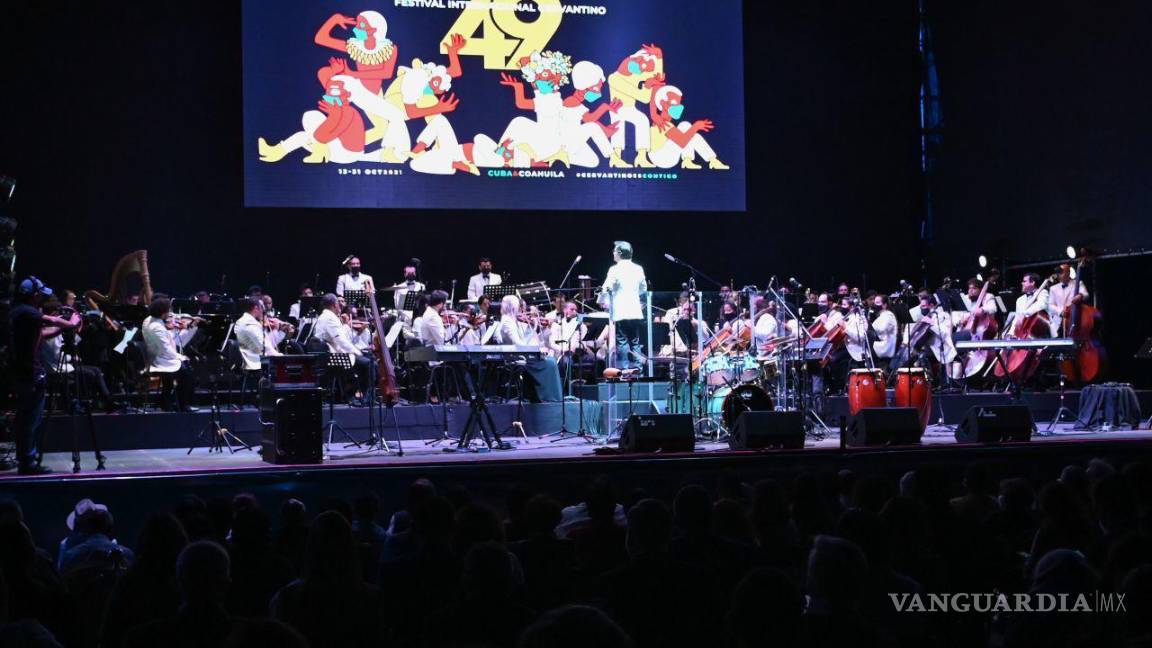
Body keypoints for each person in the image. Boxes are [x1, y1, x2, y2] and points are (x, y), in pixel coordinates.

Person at [8, 278, 79, 474]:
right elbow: (54, 321)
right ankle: (27, 463)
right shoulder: (28, 312)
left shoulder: (19, 312)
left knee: (29, 419)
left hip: (25, 372)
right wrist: (72, 322)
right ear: (34, 295)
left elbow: (43, 334)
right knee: (29, 420)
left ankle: (26, 458)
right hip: (29, 373)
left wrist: (61, 328)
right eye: (40, 294)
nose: (43, 297)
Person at [493, 295, 563, 402]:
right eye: (518, 307)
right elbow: (519, 344)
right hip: (516, 357)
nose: (521, 310)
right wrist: (534, 329)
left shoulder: (512, 320)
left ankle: (542, 396)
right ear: (513, 307)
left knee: (551, 360)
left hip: (521, 354)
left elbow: (527, 341)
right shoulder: (507, 322)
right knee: (550, 363)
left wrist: (537, 326)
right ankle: (548, 397)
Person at [312, 293, 374, 405]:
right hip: (333, 357)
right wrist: (356, 351)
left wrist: (344, 324)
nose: (340, 306)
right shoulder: (330, 317)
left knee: (365, 360)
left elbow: (339, 338)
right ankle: (358, 396)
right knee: (369, 364)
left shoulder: (324, 316)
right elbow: (341, 340)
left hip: (330, 355)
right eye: (338, 303)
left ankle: (349, 394)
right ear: (334, 304)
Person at [141, 296, 199, 412]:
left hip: (158, 356)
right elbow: (166, 349)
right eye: (169, 311)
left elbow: (171, 342)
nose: (171, 314)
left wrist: (174, 329)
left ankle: (167, 401)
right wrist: (181, 356)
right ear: (163, 313)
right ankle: (183, 404)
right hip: (159, 360)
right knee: (187, 373)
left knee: (183, 369)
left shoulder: (149, 320)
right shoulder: (157, 327)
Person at [599, 241, 648, 370]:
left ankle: (626, 370)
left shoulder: (614, 269)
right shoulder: (638, 268)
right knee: (635, 342)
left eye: (614, 251)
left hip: (621, 312)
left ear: (620, 253)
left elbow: (606, 287)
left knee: (622, 341)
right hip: (635, 311)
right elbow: (643, 289)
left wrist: (602, 301)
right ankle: (638, 369)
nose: (613, 253)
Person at [1005, 272, 1051, 338]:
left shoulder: (1043, 293)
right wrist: (1011, 332)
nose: (1022, 283)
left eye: (1024, 281)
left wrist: (1024, 313)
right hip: (1023, 333)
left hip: (1041, 333)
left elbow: (1041, 305)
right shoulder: (1020, 300)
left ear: (1032, 283)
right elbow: (1017, 318)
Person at [1048, 263, 1088, 335]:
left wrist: (1080, 296)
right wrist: (1060, 311)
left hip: (1074, 318)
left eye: (1061, 272)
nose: (1059, 275)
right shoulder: (1053, 288)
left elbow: (1086, 294)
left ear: (1068, 272)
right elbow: (1050, 305)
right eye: (1058, 273)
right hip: (1059, 322)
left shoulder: (1078, 283)